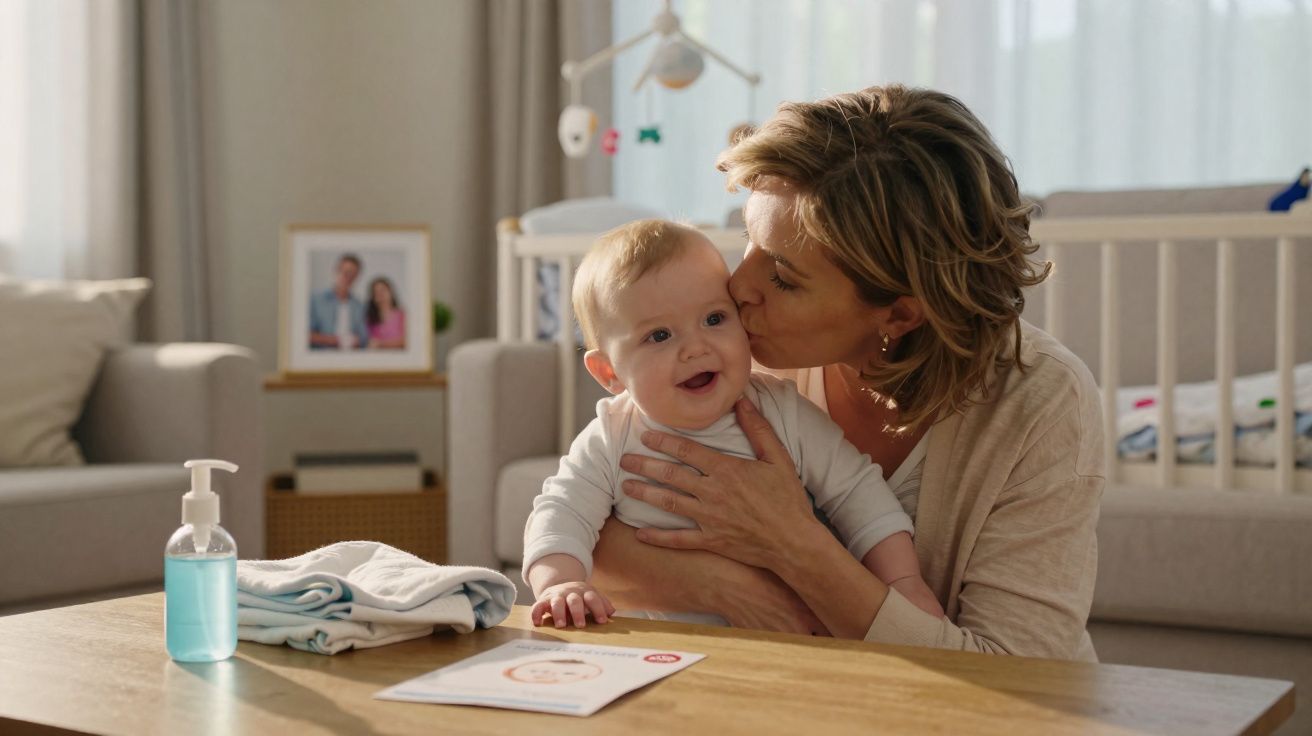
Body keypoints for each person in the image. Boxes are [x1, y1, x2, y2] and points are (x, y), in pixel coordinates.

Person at [589, 85, 1105, 661]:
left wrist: (793, 545)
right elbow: (596, 535)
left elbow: (1014, 674)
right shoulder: (727, 354)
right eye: (748, 243)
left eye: (783, 276)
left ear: (900, 312)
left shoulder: (1041, 400)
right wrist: (734, 590)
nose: (738, 288)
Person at [522, 220, 943, 630]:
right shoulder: (612, 435)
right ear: (608, 372)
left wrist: (902, 580)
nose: (695, 347)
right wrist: (560, 583)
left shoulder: (780, 410)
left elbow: (859, 494)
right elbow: (561, 512)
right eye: (660, 336)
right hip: (678, 650)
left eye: (714, 319)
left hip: (798, 641)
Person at [308, 253, 369, 350]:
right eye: (346, 272)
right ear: (336, 271)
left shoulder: (359, 305)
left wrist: (359, 340)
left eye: (353, 274)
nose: (349, 278)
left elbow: (363, 337)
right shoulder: (315, 299)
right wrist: (337, 340)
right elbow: (305, 335)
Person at [365, 277, 407, 349]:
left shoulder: (402, 315)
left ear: (390, 292)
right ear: (373, 298)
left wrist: (381, 344)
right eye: (376, 292)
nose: (381, 294)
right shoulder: (370, 319)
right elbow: (368, 342)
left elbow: (406, 341)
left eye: (383, 290)